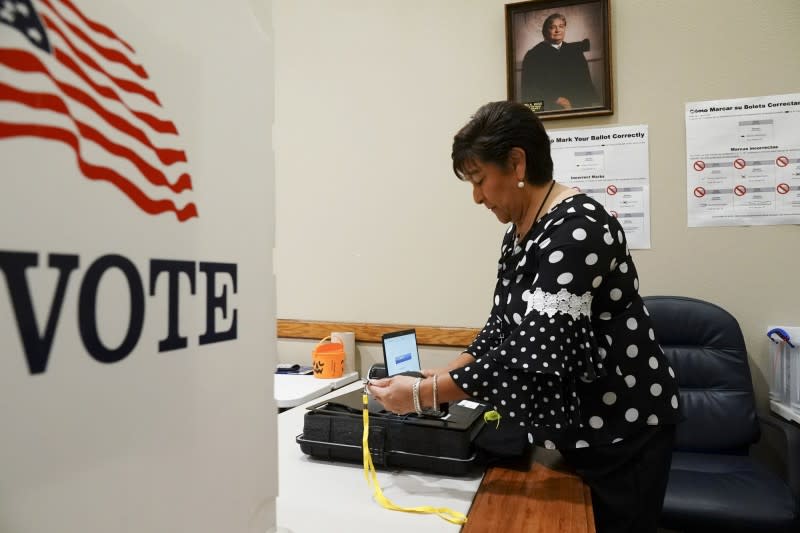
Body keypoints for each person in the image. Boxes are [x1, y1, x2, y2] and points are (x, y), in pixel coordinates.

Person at [368, 101, 682, 533]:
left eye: (479, 180)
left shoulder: (580, 226)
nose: (477, 196)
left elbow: (538, 345)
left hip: (621, 430)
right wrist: (443, 371)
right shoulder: (519, 234)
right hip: (576, 427)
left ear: (516, 162)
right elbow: (502, 328)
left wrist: (427, 395)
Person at [520, 13, 598, 111]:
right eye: (552, 27)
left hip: (578, 108)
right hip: (552, 111)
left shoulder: (575, 52)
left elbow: (586, 83)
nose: (557, 30)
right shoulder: (533, 55)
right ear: (545, 31)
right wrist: (555, 100)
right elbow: (530, 94)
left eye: (561, 26)